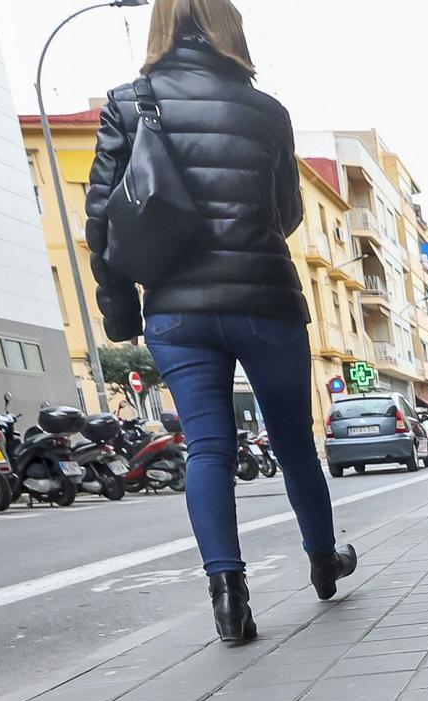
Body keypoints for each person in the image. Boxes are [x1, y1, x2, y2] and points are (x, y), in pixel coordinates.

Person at [85, 0, 356, 646]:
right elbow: (286, 213)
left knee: (208, 447)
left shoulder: (129, 103)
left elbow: (103, 222)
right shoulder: (266, 113)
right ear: (230, 27)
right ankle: (323, 561)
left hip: (178, 310)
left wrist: (122, 310)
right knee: (293, 441)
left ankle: (228, 596)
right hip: (264, 299)